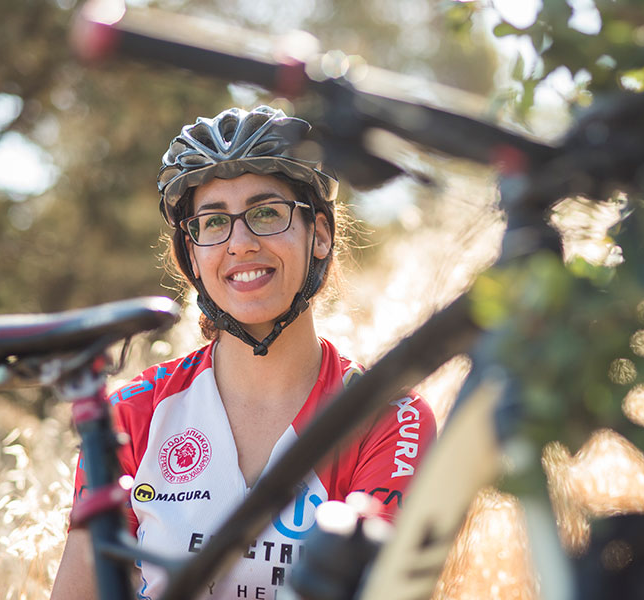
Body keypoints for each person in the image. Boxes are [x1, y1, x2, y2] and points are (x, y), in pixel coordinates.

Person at [50, 106, 437, 599]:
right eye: (214, 222)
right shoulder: (132, 413)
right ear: (193, 255)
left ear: (319, 234)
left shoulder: (392, 419)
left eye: (266, 213)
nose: (241, 243)